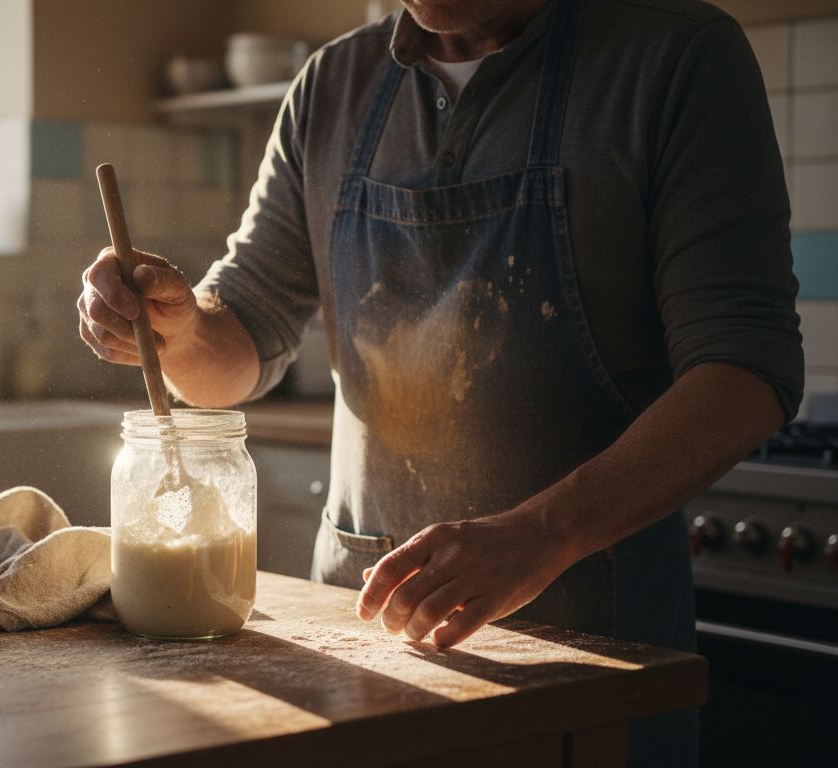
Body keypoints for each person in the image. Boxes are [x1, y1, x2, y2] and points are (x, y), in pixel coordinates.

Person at [77, 0, 802, 765]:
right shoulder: (333, 83)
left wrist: (540, 536)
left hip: (591, 661)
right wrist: (180, 331)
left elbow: (746, 371)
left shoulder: (676, 58)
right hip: (364, 651)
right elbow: (244, 333)